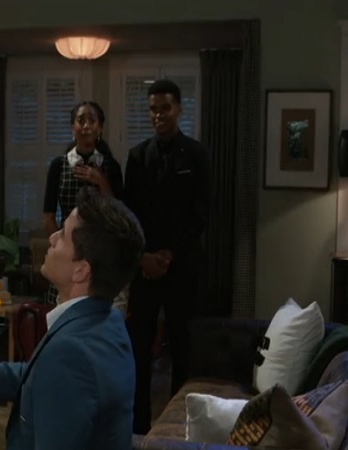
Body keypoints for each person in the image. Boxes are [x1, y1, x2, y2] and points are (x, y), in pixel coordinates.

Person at [0, 187, 144, 449]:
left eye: (63, 235)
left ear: (81, 271)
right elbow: (35, 376)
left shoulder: (70, 353)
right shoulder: (110, 322)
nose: (52, 237)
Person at [123, 79, 211, 434]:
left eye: (165, 108)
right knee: (138, 351)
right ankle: (139, 429)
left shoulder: (197, 154)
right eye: (153, 109)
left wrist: (169, 255)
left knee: (183, 351)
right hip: (144, 267)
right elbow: (129, 214)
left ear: (179, 109)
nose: (158, 115)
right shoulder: (137, 156)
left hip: (182, 264)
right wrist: (144, 257)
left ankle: (179, 428)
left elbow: (200, 215)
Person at [42, 101, 124, 306]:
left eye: (92, 121)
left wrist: (101, 181)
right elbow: (48, 215)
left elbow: (118, 213)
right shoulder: (59, 165)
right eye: (81, 120)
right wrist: (60, 244)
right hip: (68, 251)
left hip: (100, 253)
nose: (86, 126)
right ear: (73, 127)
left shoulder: (110, 165)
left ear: (100, 128)